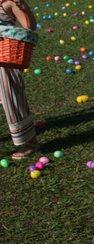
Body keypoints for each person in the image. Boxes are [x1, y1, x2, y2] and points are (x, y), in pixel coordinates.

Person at [0, 0, 38, 160]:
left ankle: (30, 143)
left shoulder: (7, 2)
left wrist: (23, 6)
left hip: (4, 60)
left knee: (13, 100)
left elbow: (29, 27)